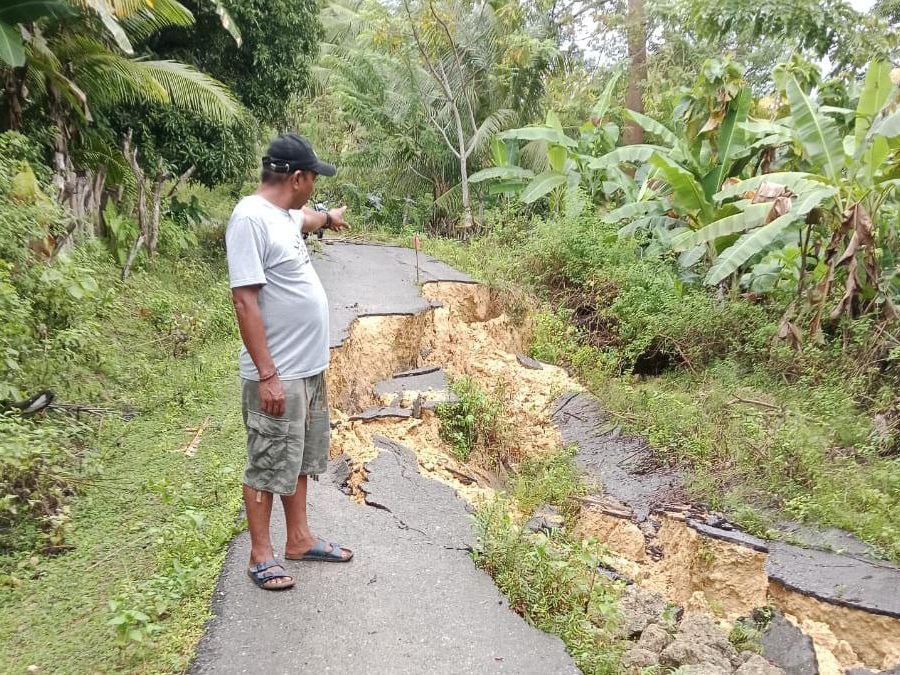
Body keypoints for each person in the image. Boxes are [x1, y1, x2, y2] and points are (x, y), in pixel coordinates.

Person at [225, 133, 352, 590]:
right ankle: (261, 554)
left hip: (308, 369)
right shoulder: (249, 219)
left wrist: (329, 218)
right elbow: (244, 301)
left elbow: (308, 218)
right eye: (314, 178)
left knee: (297, 458)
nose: (315, 186)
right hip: (278, 373)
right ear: (297, 178)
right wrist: (268, 375)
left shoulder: (285, 215)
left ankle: (298, 539)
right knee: (267, 460)